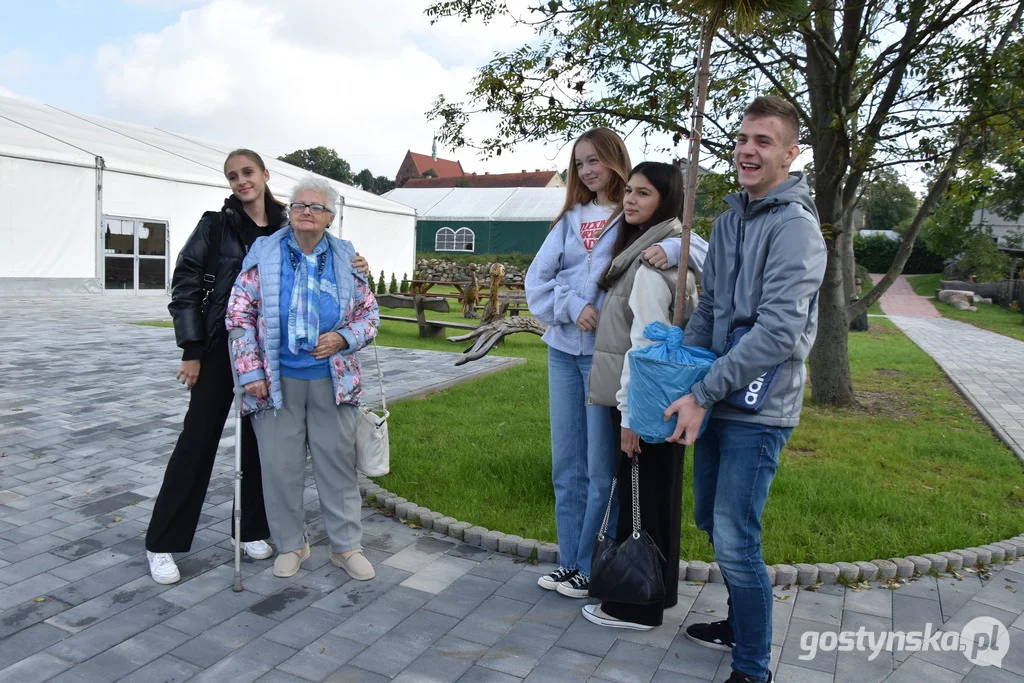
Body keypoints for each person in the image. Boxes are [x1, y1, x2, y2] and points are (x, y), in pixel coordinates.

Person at [664, 96, 827, 683]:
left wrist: (703, 391)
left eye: (763, 141)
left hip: (760, 409)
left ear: (790, 153)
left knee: (737, 535)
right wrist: (679, 367)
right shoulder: (731, 219)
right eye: (742, 139)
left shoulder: (796, 229)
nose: (747, 150)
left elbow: (778, 331)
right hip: (715, 395)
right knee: (714, 521)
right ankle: (738, 623)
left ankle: (753, 667)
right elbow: (711, 308)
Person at [525, 128, 704, 599]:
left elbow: (697, 248)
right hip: (563, 351)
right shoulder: (569, 218)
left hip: (604, 361)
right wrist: (569, 306)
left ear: (615, 161)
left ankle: (591, 565)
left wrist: (670, 249)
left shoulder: (633, 213)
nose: (587, 170)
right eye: (579, 163)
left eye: (595, 161)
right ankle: (569, 562)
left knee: (599, 469)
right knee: (566, 465)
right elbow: (537, 278)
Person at [226, 176, 380, 580]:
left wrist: (343, 337)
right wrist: (251, 372)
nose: (306, 212)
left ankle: (346, 547)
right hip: (276, 383)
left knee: (338, 465)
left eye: (315, 207)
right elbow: (239, 317)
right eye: (298, 205)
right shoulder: (265, 255)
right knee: (280, 467)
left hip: (334, 381)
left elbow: (370, 316)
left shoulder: (349, 260)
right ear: (289, 212)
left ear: (330, 217)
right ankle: (292, 544)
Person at [145, 149, 283, 585]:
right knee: (197, 442)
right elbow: (185, 284)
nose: (241, 181)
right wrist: (191, 349)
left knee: (259, 443)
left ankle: (250, 531)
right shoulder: (215, 224)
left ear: (264, 174)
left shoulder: (287, 225)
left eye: (247, 172)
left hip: (270, 352)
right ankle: (162, 543)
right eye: (232, 176)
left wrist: (356, 264)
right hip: (221, 346)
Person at [580, 161, 698, 631]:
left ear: (666, 202)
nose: (629, 200)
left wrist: (630, 415)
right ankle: (657, 595)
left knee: (639, 501)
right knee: (656, 497)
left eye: (643, 194)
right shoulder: (664, 252)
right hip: (663, 401)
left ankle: (633, 606)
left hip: (644, 402)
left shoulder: (652, 265)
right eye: (629, 191)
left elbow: (644, 348)